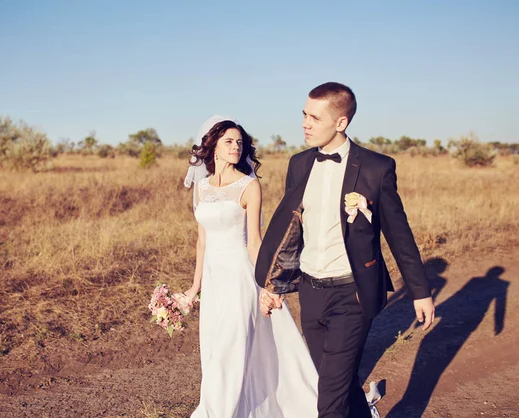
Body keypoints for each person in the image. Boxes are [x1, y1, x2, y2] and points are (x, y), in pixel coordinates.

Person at [255, 82, 435, 418]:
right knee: (335, 379)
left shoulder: (376, 168)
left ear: (341, 123)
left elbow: (399, 235)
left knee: (329, 401)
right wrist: (273, 283)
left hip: (352, 293)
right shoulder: (298, 165)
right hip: (310, 290)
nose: (305, 123)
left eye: (315, 117)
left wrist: (420, 291)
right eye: (304, 114)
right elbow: (290, 231)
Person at [183, 115, 319, 417]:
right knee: (215, 348)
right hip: (215, 282)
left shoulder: (249, 186)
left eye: (239, 142)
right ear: (213, 147)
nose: (236, 147)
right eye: (229, 141)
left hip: (240, 277)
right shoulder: (202, 188)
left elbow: (255, 243)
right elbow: (201, 243)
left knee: (230, 351)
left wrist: (268, 285)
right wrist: (195, 289)